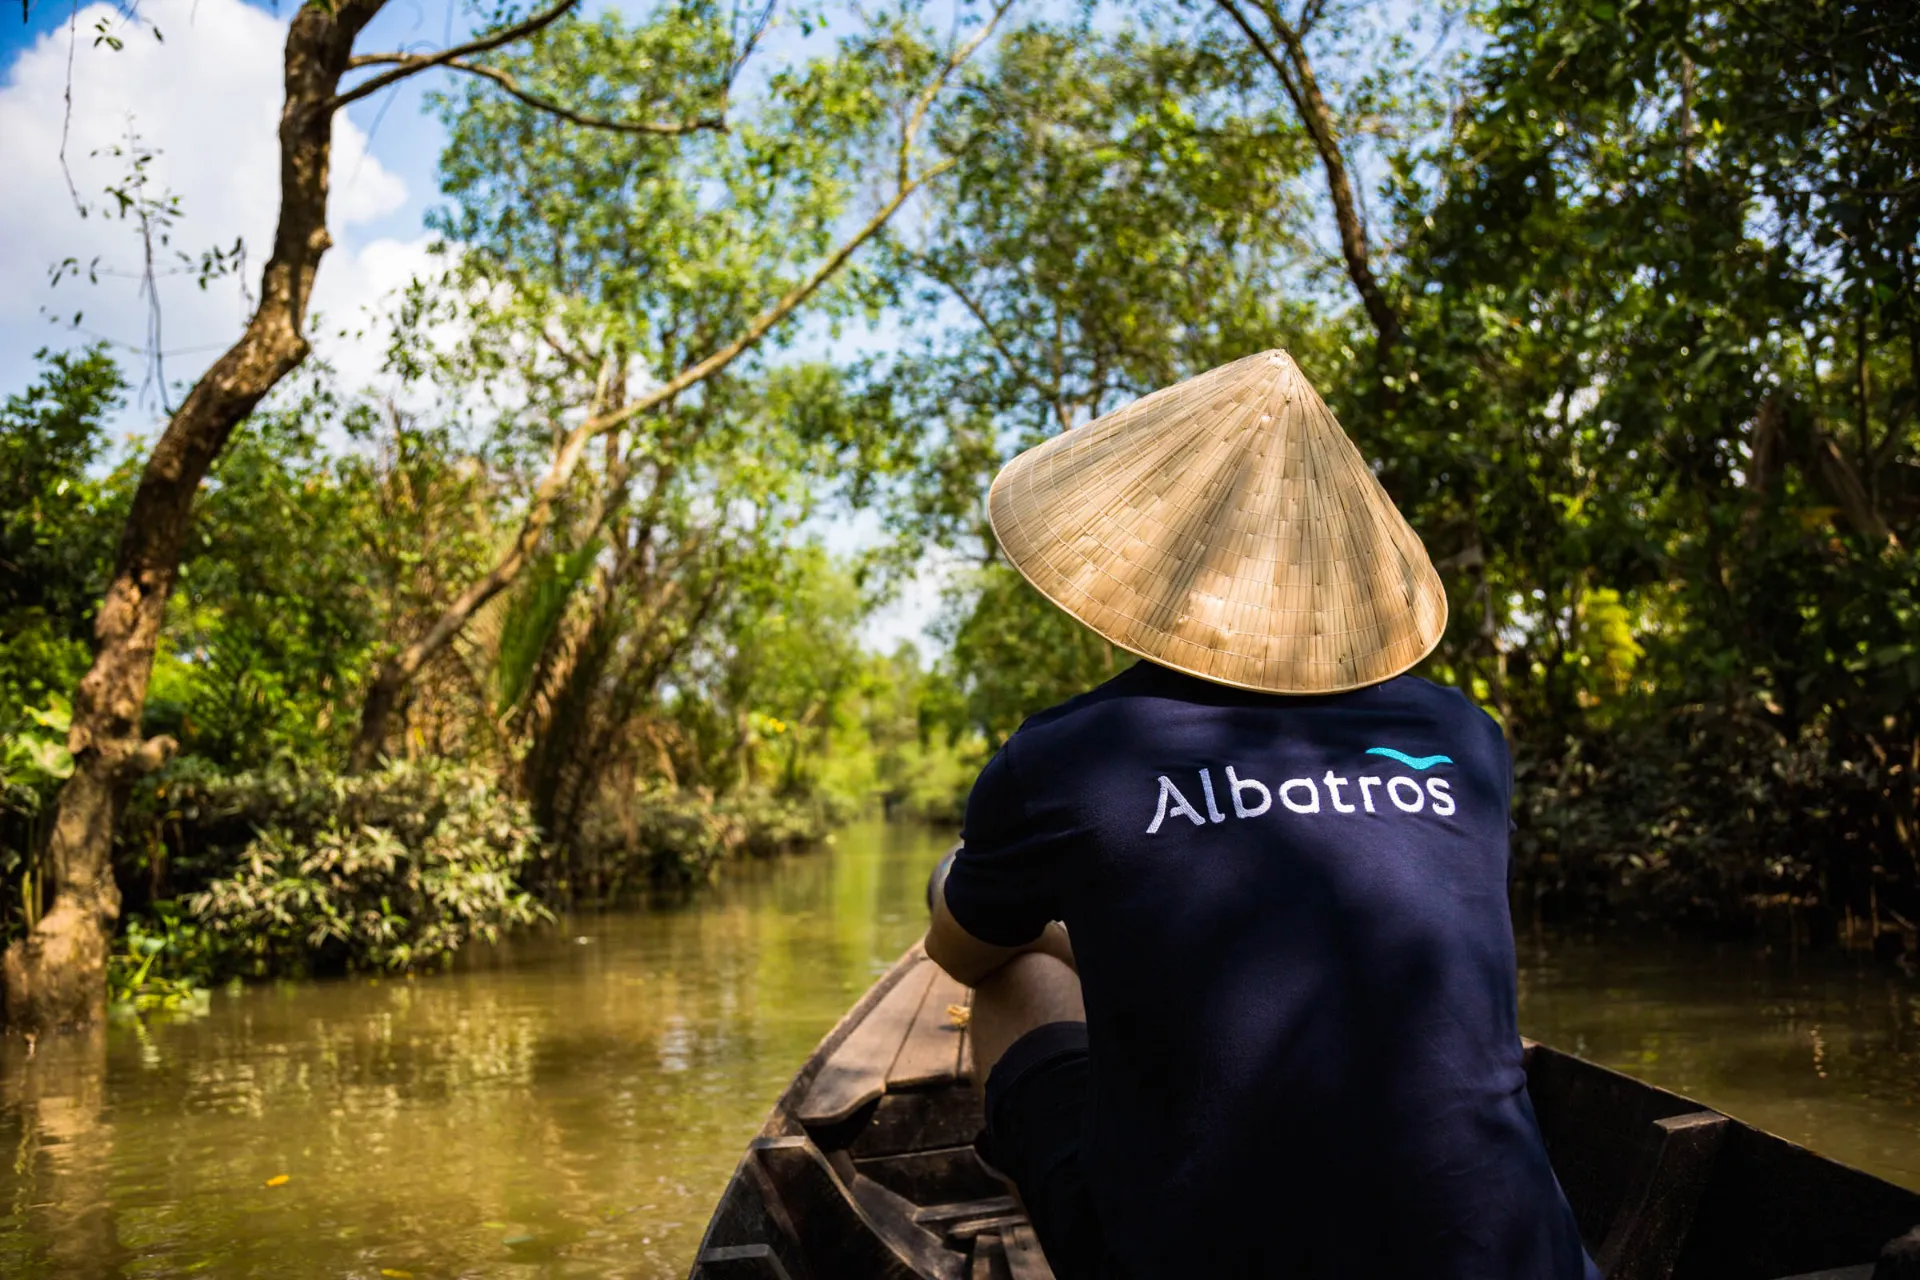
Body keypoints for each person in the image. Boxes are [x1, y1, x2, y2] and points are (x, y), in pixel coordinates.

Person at [921, 351, 1599, 1279]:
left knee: (1009, 975)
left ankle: (1057, 1193)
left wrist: (1021, 928)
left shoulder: (1069, 758)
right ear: (1339, 578)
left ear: (1140, 563)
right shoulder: (1466, 736)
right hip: (1521, 1262)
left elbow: (958, 955)